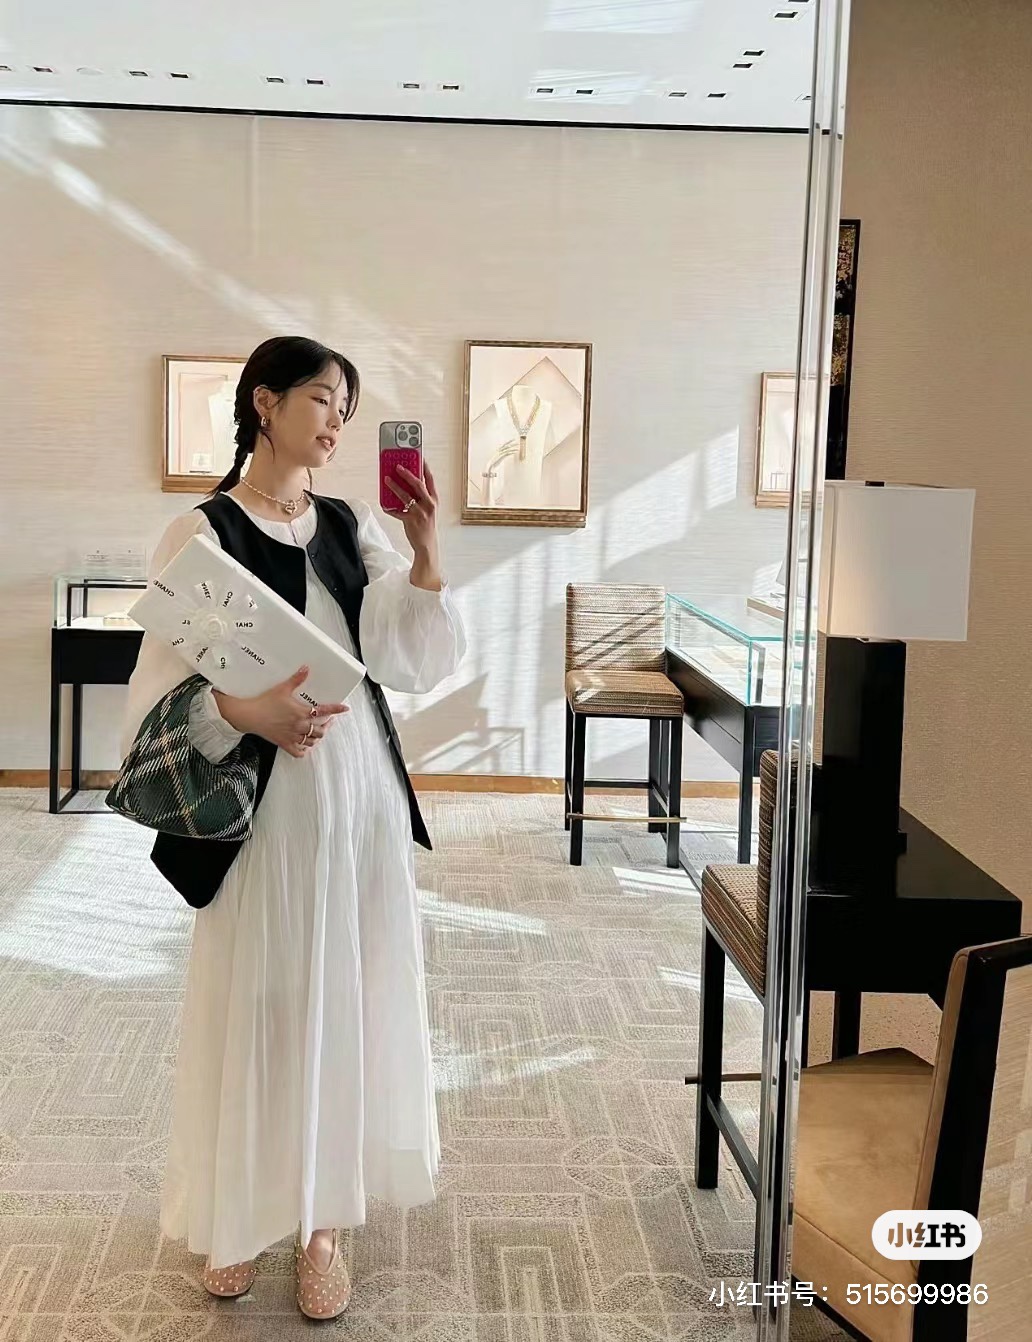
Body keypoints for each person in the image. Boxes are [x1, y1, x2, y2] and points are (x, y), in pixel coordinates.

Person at [122, 336, 466, 1318]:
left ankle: (323, 1226)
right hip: (262, 806)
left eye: (345, 410)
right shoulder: (199, 531)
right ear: (264, 404)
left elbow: (407, 658)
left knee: (343, 996)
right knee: (260, 996)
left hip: (356, 795)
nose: (336, 424)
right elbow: (156, 694)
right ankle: (238, 1215)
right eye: (321, 400)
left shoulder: (349, 525)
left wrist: (427, 550)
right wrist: (245, 713)